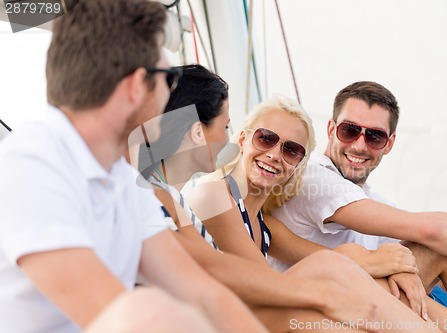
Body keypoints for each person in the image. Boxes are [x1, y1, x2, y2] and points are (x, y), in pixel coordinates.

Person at [0, 1, 268, 332]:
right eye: (168, 77)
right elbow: (129, 319)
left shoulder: (121, 177)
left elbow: (203, 293)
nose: (172, 94)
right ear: (135, 86)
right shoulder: (31, 165)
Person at [177, 91, 447, 332]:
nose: (274, 154)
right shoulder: (212, 193)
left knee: (357, 277)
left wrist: (389, 266)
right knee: (334, 274)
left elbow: (324, 258)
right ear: (243, 139)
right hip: (222, 323)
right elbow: (264, 286)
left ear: (298, 163)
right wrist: (340, 288)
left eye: (291, 150)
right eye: (266, 138)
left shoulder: (263, 223)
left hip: (261, 318)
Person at [269, 81, 447, 326]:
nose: (359, 145)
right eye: (349, 130)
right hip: (317, 319)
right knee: (438, 245)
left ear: (389, 143)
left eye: (374, 136)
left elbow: (444, 249)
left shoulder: (371, 201)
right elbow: (432, 231)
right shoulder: (313, 177)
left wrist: (404, 266)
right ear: (330, 129)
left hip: (354, 307)